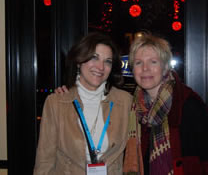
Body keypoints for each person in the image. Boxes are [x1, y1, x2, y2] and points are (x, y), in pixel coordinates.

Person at [123, 32, 208, 175]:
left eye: (153, 62)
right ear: (133, 69)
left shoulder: (188, 104)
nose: (145, 68)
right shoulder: (131, 108)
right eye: (139, 63)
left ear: (165, 67)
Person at [33, 32, 133, 175]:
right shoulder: (57, 103)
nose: (101, 67)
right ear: (79, 61)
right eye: (94, 58)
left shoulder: (125, 102)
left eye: (108, 61)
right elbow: (45, 161)